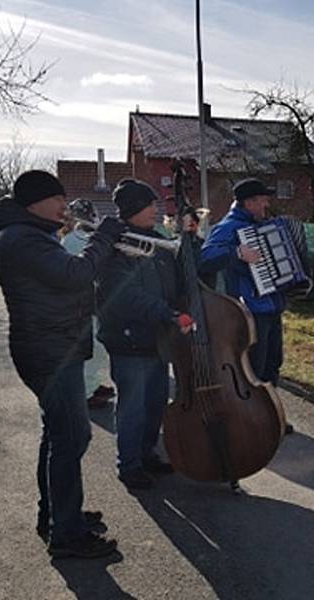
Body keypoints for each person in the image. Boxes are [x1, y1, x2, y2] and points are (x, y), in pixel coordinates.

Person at [0, 170, 124, 559]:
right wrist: (104, 238)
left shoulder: (31, 234)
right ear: (35, 202)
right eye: (57, 199)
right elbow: (76, 274)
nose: (65, 207)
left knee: (57, 436)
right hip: (49, 352)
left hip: (52, 347)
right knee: (71, 439)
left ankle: (55, 515)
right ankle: (66, 535)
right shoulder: (23, 239)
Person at [96, 179, 194, 490]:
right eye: (149, 205)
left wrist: (192, 241)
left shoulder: (160, 243)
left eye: (155, 203)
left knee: (154, 404)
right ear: (132, 209)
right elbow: (125, 296)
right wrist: (168, 314)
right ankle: (129, 464)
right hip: (128, 340)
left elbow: (182, 281)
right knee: (132, 408)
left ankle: (147, 452)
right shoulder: (116, 246)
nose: (156, 209)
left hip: (157, 339)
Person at [198, 178, 293, 434]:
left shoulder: (262, 226)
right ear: (249, 202)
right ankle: (253, 423)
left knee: (273, 363)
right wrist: (237, 253)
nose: (267, 203)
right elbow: (205, 258)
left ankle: (272, 416)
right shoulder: (229, 227)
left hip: (271, 307)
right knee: (255, 368)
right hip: (249, 310)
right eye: (263, 199)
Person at [59, 202, 116, 409]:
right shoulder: (74, 240)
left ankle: (89, 385)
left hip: (91, 300)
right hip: (85, 301)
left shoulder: (74, 239)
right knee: (95, 347)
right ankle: (86, 391)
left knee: (96, 347)